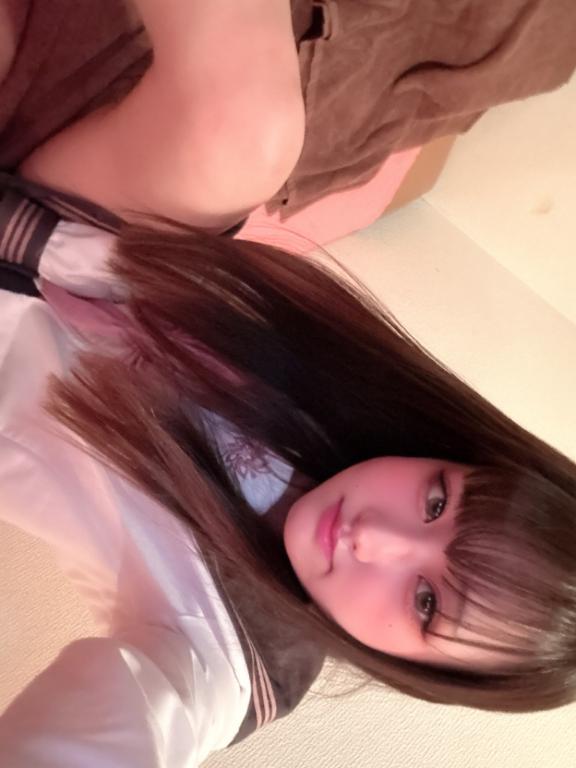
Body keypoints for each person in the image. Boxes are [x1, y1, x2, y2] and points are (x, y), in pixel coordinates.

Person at [1, 4, 576, 767]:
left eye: (425, 602)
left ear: (422, 670)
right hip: (61, 236)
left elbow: (122, 731)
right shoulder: (352, 400)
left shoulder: (233, 660)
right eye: (437, 501)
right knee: (251, 137)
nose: (376, 536)